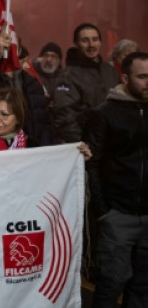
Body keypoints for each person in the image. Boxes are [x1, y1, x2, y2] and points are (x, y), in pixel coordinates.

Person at [85, 51, 148, 307]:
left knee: (143, 289)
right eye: (143, 77)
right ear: (124, 78)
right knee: (111, 285)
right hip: (117, 216)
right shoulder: (104, 114)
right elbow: (92, 164)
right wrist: (104, 212)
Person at [53, 23, 119, 142]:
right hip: (87, 142)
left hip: (113, 141)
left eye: (95, 39)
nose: (91, 45)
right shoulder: (68, 75)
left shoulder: (110, 71)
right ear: (76, 44)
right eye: (85, 40)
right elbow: (65, 116)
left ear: (100, 42)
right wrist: (79, 144)